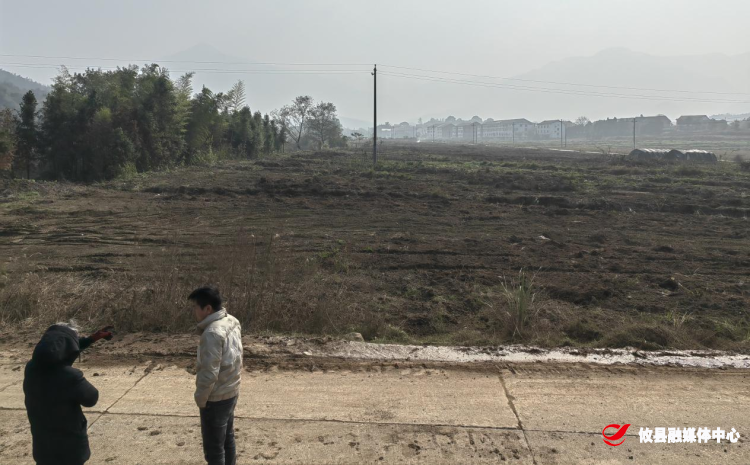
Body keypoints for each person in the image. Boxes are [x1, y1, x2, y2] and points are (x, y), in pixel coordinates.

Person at [23, 322, 114, 465]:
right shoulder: (70, 376)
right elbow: (91, 398)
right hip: (69, 450)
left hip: (43, 447)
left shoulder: (31, 368)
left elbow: (57, 351)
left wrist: (91, 339)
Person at [190, 286, 243, 465]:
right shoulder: (232, 321)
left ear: (208, 309)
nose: (194, 311)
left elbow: (209, 373)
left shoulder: (212, 333)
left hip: (216, 398)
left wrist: (201, 399)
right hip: (231, 390)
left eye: (195, 307)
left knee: (214, 451)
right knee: (227, 440)